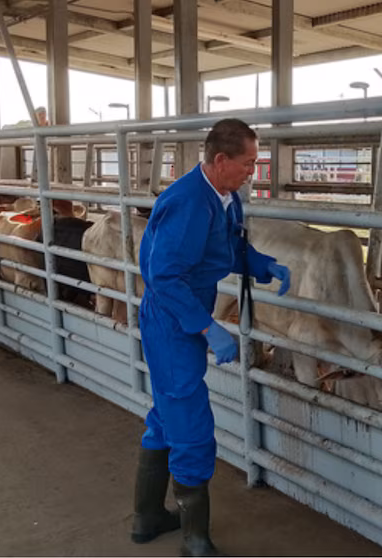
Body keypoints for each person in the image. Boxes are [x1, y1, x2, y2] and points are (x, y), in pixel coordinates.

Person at [132, 118, 291, 557]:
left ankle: (147, 518)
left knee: (166, 414)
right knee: (191, 425)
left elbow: (229, 247)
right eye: (247, 163)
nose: (251, 172)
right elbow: (164, 276)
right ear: (220, 160)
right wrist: (207, 327)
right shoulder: (188, 201)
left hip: (185, 312)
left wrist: (262, 265)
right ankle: (195, 539)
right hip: (171, 319)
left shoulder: (224, 197)